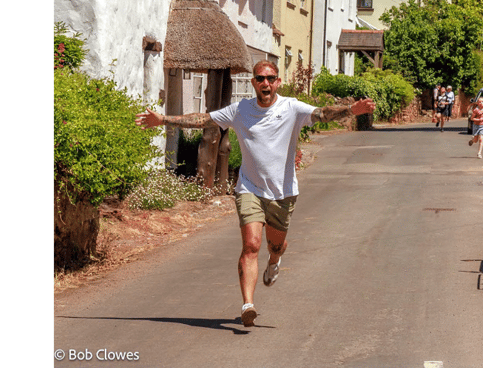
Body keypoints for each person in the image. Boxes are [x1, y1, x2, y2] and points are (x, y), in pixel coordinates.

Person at [135, 60, 376, 327]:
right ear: (253, 82)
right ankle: (248, 304)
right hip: (249, 188)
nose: (265, 83)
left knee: (275, 245)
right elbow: (204, 119)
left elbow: (322, 113)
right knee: (251, 245)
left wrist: (351, 110)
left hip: (282, 193)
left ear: (278, 82)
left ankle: (275, 259)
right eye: (260, 78)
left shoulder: (291, 108)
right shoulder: (240, 110)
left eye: (270, 79)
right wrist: (163, 119)